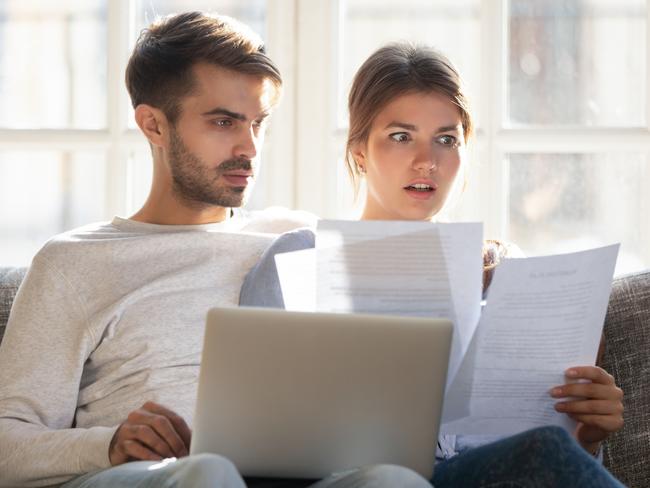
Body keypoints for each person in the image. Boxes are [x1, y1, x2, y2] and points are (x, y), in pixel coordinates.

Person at [0, 13, 431, 488]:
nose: (248, 148)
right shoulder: (73, 263)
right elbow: (7, 443)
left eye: (258, 124)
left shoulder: (298, 239)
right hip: (147, 476)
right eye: (224, 122)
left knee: (393, 480)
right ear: (153, 125)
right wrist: (108, 443)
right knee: (210, 472)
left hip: (292, 475)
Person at [240, 42, 625, 487]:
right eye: (401, 137)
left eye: (447, 139)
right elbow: (252, 434)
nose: (427, 161)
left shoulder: (503, 271)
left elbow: (545, 457)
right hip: (354, 480)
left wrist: (589, 434)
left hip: (488, 475)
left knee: (547, 448)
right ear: (359, 151)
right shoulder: (299, 258)